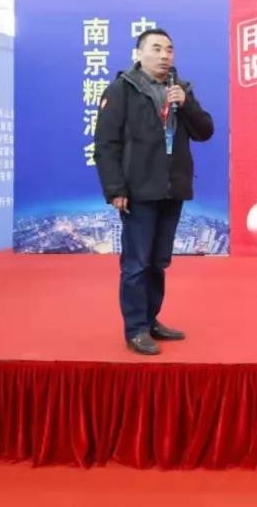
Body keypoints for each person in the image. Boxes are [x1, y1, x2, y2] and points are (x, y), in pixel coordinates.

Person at [94, 28, 214, 355]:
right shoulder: (122, 90)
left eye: (169, 50)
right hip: (138, 190)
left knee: (158, 262)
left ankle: (150, 320)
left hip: (171, 189)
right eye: (156, 49)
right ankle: (135, 329)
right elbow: (106, 144)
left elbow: (205, 131)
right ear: (139, 54)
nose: (164, 55)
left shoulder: (180, 90)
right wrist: (115, 189)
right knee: (137, 263)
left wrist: (186, 105)